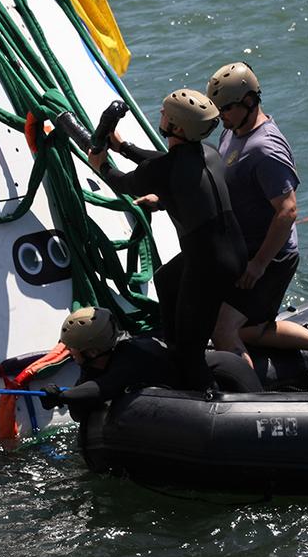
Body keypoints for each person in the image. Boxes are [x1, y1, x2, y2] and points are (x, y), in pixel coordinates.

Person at [204, 62, 308, 386]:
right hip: (245, 249)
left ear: (250, 101)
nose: (220, 115)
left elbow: (287, 211)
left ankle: (249, 403)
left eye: (226, 108)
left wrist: (259, 265)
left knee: (224, 331)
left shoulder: (265, 149)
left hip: (270, 255)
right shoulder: (232, 131)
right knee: (251, 328)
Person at [87, 89, 248, 391]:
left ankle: (208, 399)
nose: (160, 115)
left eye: (164, 114)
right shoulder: (209, 152)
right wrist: (124, 147)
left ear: (176, 127)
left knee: (192, 353)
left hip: (208, 265)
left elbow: (123, 182)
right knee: (165, 279)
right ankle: (176, 347)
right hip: (231, 251)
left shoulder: (168, 169)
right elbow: (167, 166)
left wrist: (101, 164)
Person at [38, 307, 262, 418]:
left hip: (228, 374)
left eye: (73, 349)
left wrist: (61, 396)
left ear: (93, 350)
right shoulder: (99, 360)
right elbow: (81, 412)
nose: (69, 353)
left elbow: (103, 388)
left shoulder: (130, 356)